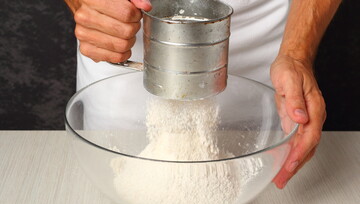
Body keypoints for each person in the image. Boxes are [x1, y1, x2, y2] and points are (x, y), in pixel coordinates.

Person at [64, 0, 341, 189]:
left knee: (253, 181)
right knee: (121, 178)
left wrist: (297, 54)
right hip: (121, 73)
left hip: (263, 60)